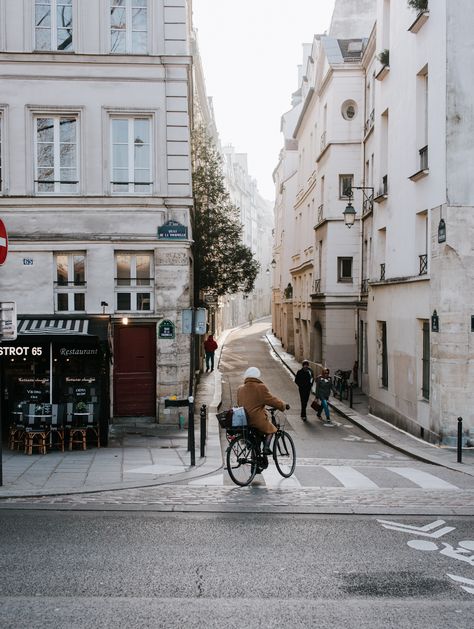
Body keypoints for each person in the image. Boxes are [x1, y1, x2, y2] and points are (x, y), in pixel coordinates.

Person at [237, 366, 290, 454]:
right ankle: (266, 448)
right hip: (256, 419)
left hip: (244, 419)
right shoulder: (260, 387)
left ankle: (255, 456)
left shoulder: (240, 388)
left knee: (258, 435)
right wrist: (283, 405)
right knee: (272, 429)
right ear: (257, 377)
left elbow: (239, 403)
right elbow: (271, 400)